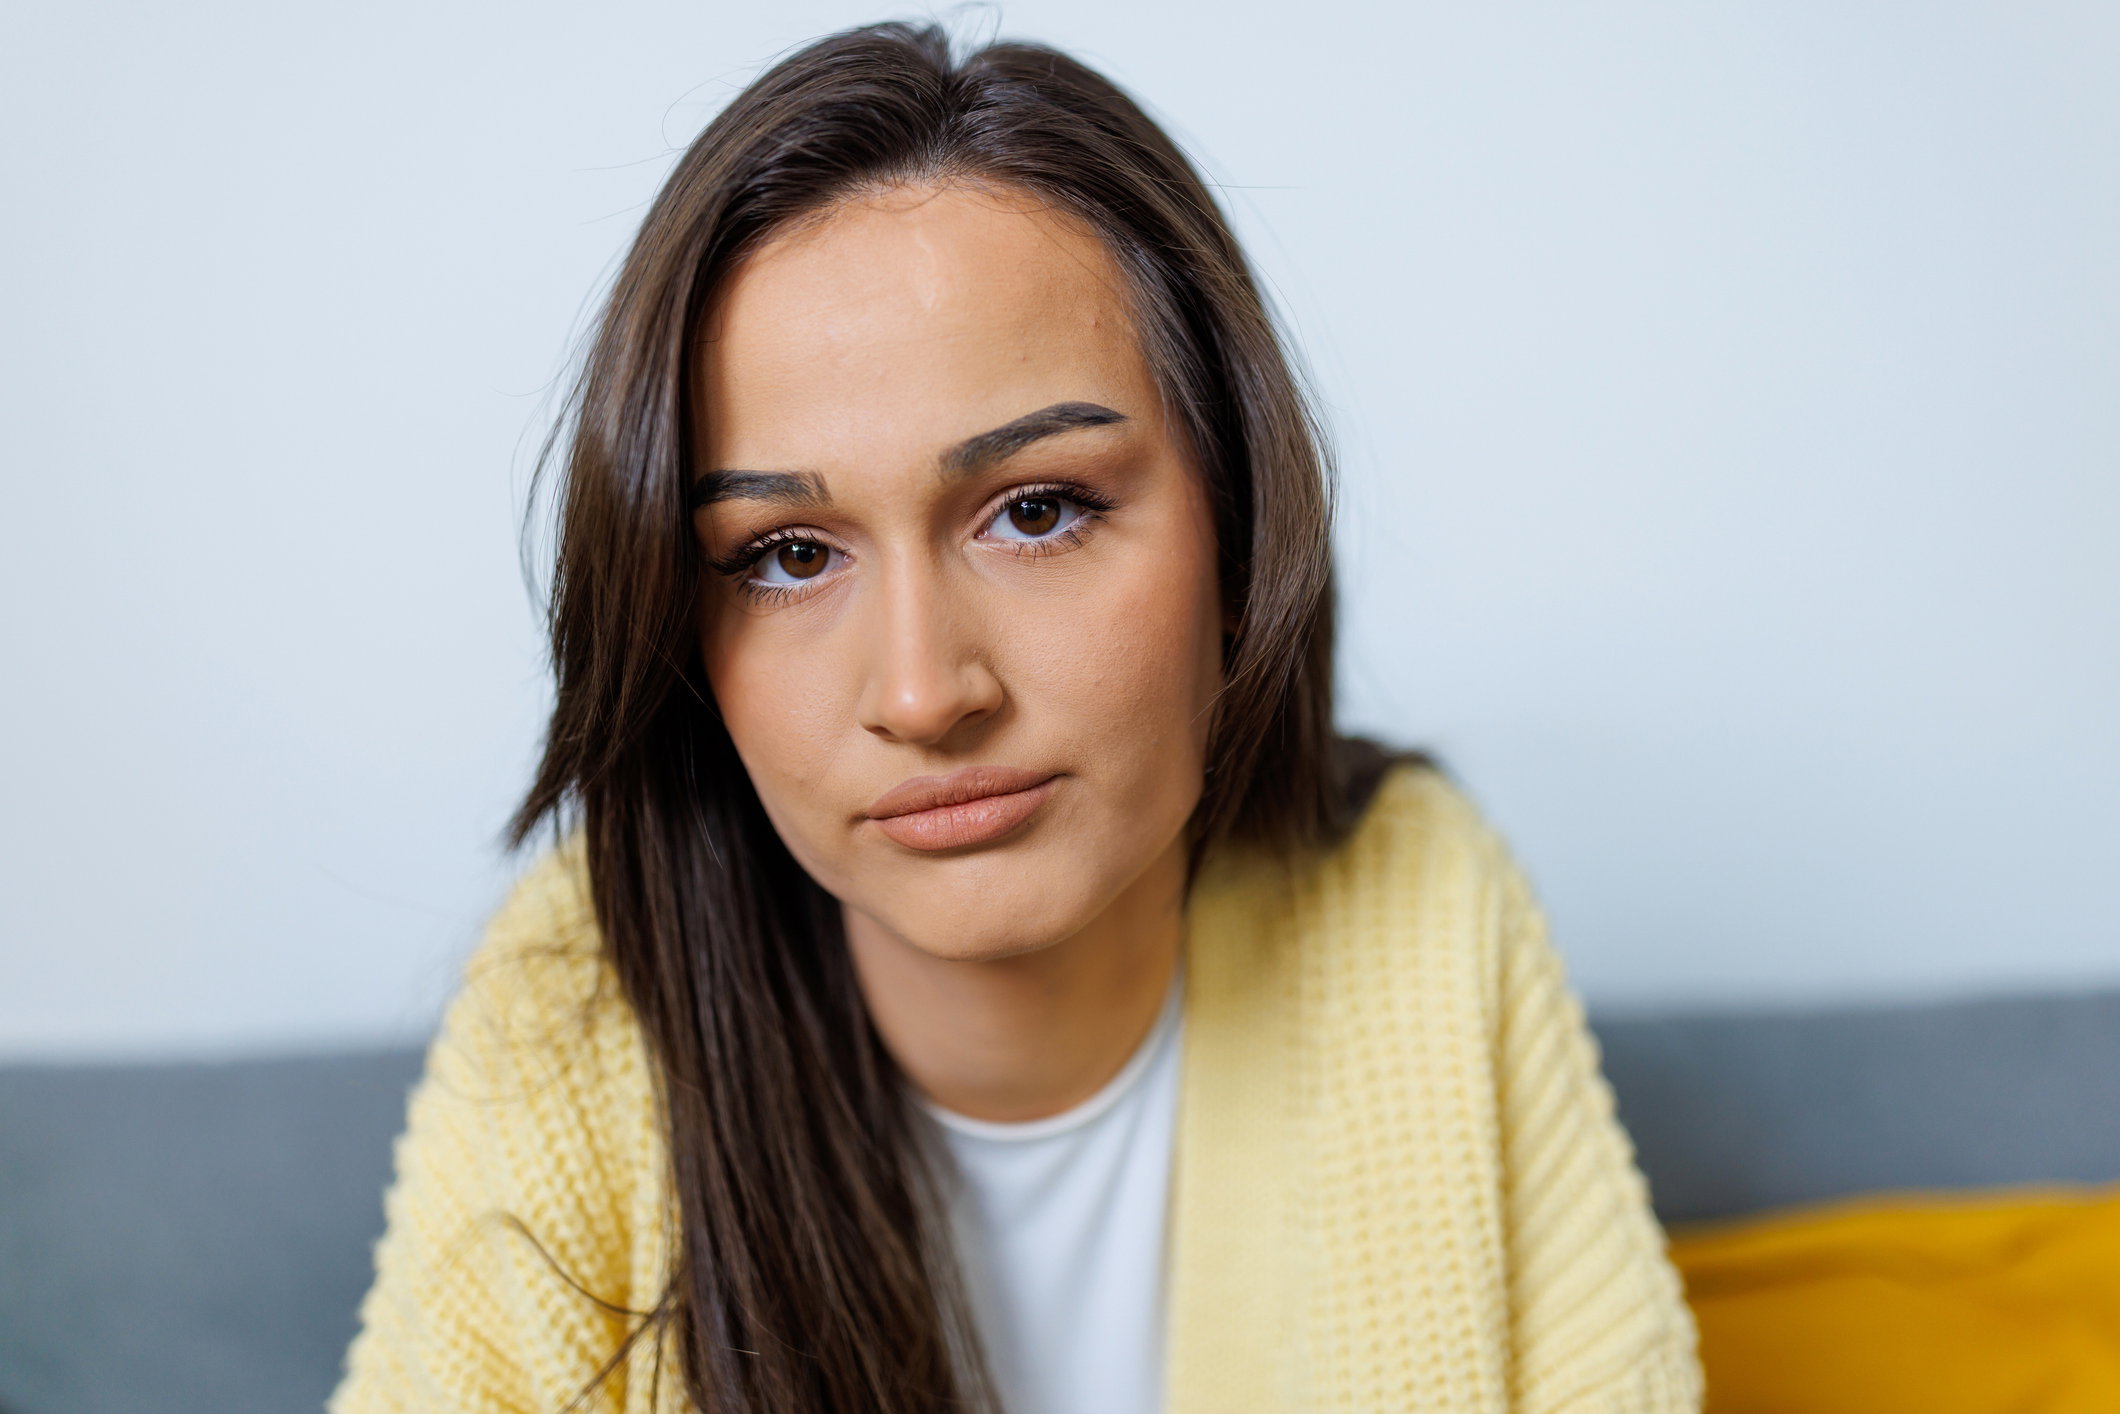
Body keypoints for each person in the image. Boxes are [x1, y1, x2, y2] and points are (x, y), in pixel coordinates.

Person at [330, 20, 1702, 1414]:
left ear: (1237, 526)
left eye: (1035, 511)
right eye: (788, 553)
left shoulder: (1416, 905)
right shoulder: (571, 1004)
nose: (925, 693)